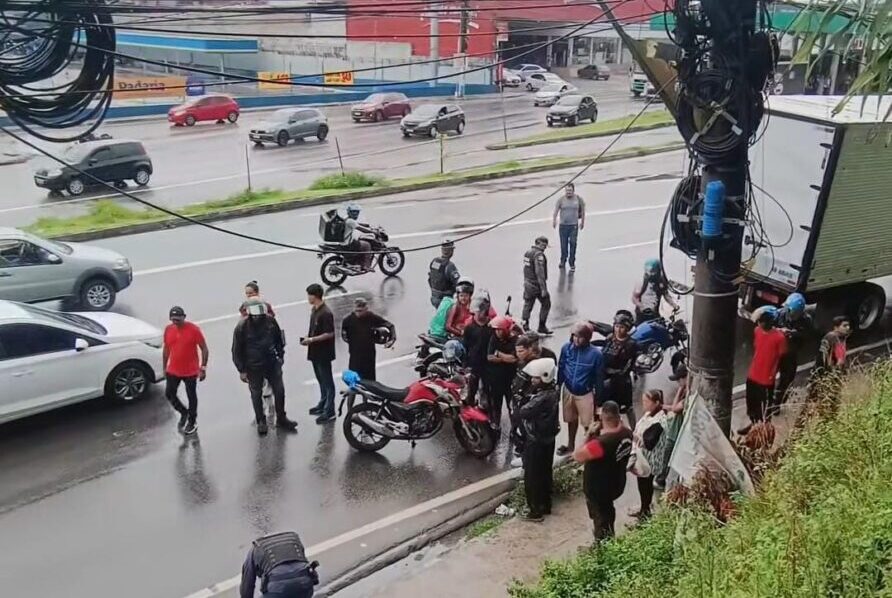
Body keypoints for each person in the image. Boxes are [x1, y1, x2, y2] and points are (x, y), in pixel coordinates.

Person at [232, 299, 297, 436]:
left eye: (260, 316)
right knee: (256, 394)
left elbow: (279, 340)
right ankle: (261, 421)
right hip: (253, 366)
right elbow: (236, 350)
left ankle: (282, 418)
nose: (258, 318)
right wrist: (242, 370)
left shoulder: (270, 321)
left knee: (279, 390)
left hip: (272, 363)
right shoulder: (241, 327)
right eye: (255, 316)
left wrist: (280, 357)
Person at [574, 401, 633, 542]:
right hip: (616, 483)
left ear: (603, 418)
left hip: (598, 488)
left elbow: (577, 456)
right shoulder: (627, 433)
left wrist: (588, 434)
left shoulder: (601, 444)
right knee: (608, 513)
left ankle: (602, 547)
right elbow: (618, 427)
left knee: (600, 518)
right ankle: (609, 538)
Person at [512, 358, 560, 522]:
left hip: (536, 440)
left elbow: (522, 412)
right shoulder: (553, 391)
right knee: (545, 472)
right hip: (548, 439)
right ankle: (545, 505)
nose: (532, 380)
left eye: (536, 378)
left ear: (544, 377)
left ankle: (534, 511)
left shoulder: (542, 398)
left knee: (532, 476)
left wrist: (518, 399)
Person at [556, 322, 604, 456]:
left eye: (580, 337)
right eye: (574, 336)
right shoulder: (566, 348)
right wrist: (558, 386)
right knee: (571, 420)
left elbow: (599, 379)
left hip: (585, 393)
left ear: (587, 338)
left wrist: (599, 401)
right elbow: (561, 367)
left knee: (589, 424)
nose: (576, 339)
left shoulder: (596, 354)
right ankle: (570, 446)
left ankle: (591, 449)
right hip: (568, 390)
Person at [740, 307, 787, 435]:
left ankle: (762, 432)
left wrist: (774, 373)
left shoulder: (780, 338)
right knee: (752, 404)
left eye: (761, 322)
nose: (759, 324)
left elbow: (781, 357)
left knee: (765, 408)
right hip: (753, 374)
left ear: (768, 322)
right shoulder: (757, 331)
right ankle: (754, 424)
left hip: (766, 379)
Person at [163, 306, 209, 436]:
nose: (176, 322)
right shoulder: (168, 329)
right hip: (173, 370)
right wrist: (165, 366)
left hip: (190, 371)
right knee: (169, 393)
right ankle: (184, 411)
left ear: (184, 317)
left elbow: (204, 348)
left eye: (178, 319)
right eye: (173, 320)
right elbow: (166, 349)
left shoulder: (194, 330)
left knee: (191, 396)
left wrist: (203, 368)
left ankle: (192, 420)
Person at [240, 531, 319, 598]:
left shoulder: (255, 548)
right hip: (305, 585)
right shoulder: (293, 538)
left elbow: (247, 587)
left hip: (277, 589)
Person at [240, 281, 276, 418]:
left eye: (251, 293)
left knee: (267, 366)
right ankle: (260, 413)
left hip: (264, 339)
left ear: (257, 292)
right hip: (251, 341)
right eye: (247, 293)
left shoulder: (264, 305)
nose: (249, 295)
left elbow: (272, 318)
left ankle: (269, 386)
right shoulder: (245, 305)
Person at [629, 389, 666, 521]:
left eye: (646, 401)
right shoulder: (648, 415)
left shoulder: (659, 421)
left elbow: (648, 443)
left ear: (656, 403)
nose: (643, 403)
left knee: (645, 487)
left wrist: (632, 437)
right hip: (642, 458)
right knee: (642, 486)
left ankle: (645, 513)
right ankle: (644, 508)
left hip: (649, 461)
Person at [303, 284, 337, 424]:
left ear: (314, 295)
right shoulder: (315, 310)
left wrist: (312, 339)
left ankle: (330, 411)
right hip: (315, 351)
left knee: (327, 382)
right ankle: (322, 403)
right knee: (320, 379)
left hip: (324, 352)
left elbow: (329, 333)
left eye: (309, 295)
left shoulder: (326, 313)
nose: (308, 298)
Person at [340, 297, 396, 381]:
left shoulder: (371, 317)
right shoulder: (347, 321)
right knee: (353, 381)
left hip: (369, 356)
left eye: (361, 311)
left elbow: (390, 326)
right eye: (357, 311)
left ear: (366, 309)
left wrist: (392, 339)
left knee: (370, 382)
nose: (358, 313)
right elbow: (344, 337)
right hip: (355, 356)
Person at [599, 311, 638, 428]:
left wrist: (615, 375)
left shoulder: (631, 344)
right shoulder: (610, 338)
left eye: (622, 327)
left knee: (628, 408)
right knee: (607, 407)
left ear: (627, 328)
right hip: (606, 379)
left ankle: (634, 430)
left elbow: (629, 366)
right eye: (616, 326)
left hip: (621, 382)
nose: (618, 330)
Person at [774, 293, 813, 408]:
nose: (791, 314)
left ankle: (777, 404)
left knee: (786, 380)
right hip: (777, 352)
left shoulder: (806, 320)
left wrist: (793, 333)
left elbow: (808, 335)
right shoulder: (779, 314)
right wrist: (780, 331)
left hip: (790, 354)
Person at [654, 362, 687, 489]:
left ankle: (662, 480)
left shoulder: (687, 395)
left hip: (677, 433)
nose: (678, 383)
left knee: (667, 457)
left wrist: (680, 390)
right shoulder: (686, 392)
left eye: (679, 380)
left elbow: (675, 408)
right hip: (675, 431)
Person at [486, 315, 518, 431]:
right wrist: (505, 358)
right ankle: (496, 424)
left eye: (500, 329)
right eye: (496, 330)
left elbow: (514, 359)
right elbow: (489, 357)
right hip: (496, 379)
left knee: (512, 405)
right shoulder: (493, 338)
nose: (498, 332)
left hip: (511, 379)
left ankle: (514, 428)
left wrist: (498, 354)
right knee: (496, 404)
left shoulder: (515, 340)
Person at [462, 295, 494, 406]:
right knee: (471, 390)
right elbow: (465, 346)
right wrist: (465, 365)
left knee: (487, 391)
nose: (478, 314)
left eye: (480, 311)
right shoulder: (469, 328)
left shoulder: (492, 327)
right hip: (474, 364)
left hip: (488, 365)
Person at [632, 258, 678, 325]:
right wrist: (642, 306)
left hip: (654, 314)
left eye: (653, 271)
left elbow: (666, 295)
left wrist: (674, 305)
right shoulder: (642, 282)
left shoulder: (661, 281)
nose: (651, 274)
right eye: (649, 272)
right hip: (641, 315)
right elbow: (634, 298)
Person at [522, 236, 552, 335]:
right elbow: (540, 273)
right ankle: (542, 326)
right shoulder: (538, 255)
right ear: (539, 243)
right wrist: (543, 289)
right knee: (546, 303)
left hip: (527, 283)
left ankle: (524, 326)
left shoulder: (528, 252)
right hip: (536, 285)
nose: (545, 248)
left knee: (528, 305)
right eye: (544, 245)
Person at [552, 182, 586, 272]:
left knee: (573, 244)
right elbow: (556, 211)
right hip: (563, 226)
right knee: (563, 245)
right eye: (567, 190)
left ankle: (572, 262)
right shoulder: (561, 200)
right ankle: (563, 261)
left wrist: (582, 222)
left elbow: (583, 211)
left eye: (570, 191)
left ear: (573, 191)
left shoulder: (578, 199)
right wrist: (554, 220)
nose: (568, 192)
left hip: (573, 226)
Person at [428, 240, 461, 308]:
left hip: (434, 297)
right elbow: (458, 283)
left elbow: (430, 277)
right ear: (450, 251)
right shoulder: (450, 266)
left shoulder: (435, 261)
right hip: (445, 299)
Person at [341, 203, 374, 271]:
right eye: (355, 212)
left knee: (360, 240)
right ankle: (366, 266)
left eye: (357, 212)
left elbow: (356, 224)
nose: (357, 214)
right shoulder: (350, 221)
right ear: (351, 213)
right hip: (348, 244)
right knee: (367, 245)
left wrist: (366, 225)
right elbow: (362, 229)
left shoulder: (346, 218)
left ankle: (359, 260)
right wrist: (374, 232)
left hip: (343, 241)